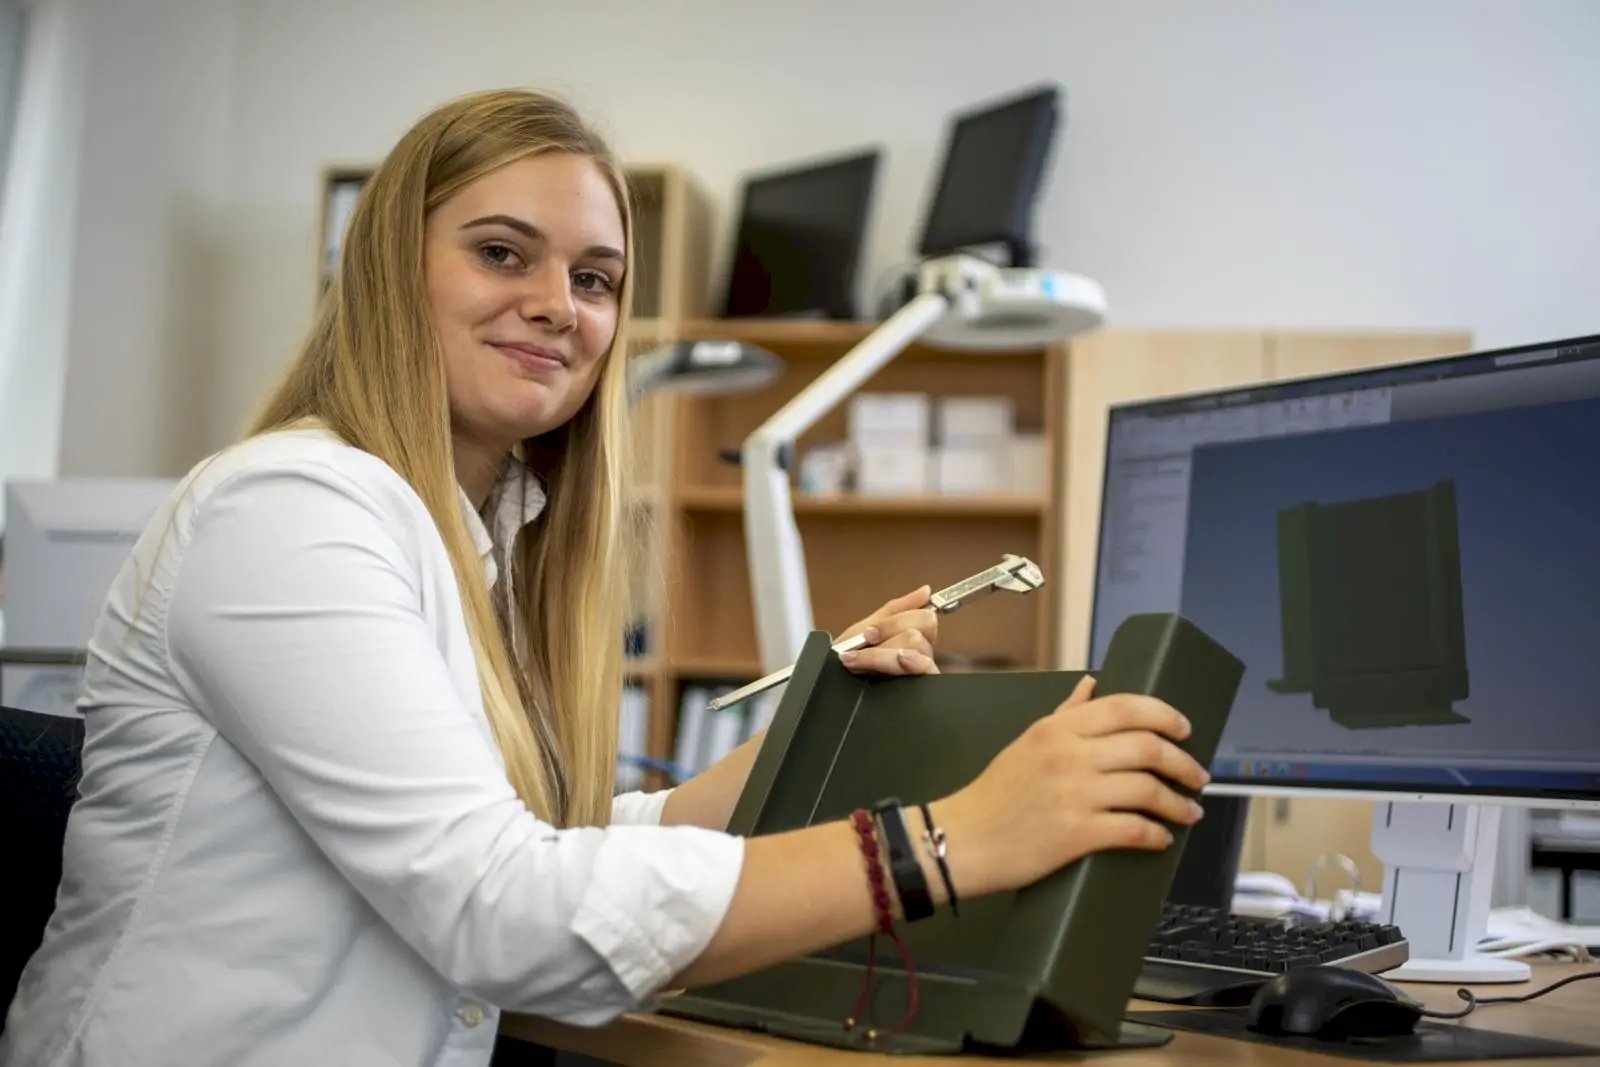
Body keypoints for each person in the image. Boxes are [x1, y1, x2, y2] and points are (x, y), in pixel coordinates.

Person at [0, 89, 1207, 1067]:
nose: (556, 307)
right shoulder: (292, 509)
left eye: (594, 278)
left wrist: (803, 736)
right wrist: (950, 841)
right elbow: (500, 902)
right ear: (387, 270)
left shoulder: (486, 536)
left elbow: (549, 837)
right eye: (499, 252)